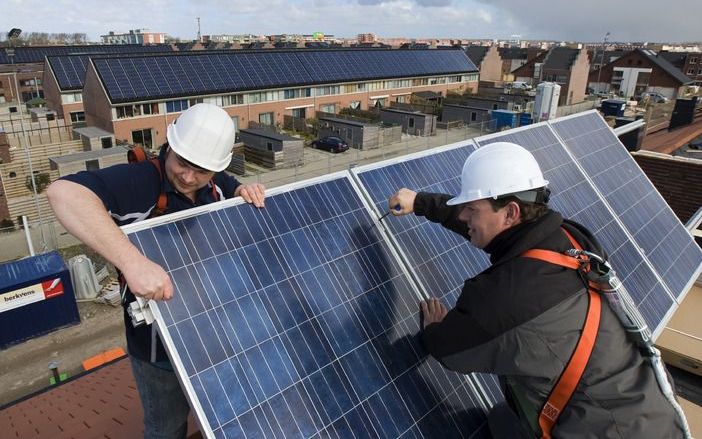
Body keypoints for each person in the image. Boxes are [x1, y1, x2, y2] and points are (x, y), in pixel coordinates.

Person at [388, 142, 685, 438]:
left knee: (500, 426)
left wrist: (435, 329)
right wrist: (423, 203)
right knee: (503, 419)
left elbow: (450, 350)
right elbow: (487, 225)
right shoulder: (570, 238)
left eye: (470, 208)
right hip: (650, 410)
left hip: (603, 431)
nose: (464, 216)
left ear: (511, 212)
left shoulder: (500, 300)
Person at [47, 103, 266, 439]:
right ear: (170, 145)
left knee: (227, 415)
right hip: (158, 347)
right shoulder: (139, 181)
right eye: (182, 163)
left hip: (214, 334)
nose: (189, 177)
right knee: (166, 428)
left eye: (203, 170)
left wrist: (241, 189)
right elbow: (63, 193)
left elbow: (223, 178)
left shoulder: (215, 183)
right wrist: (133, 262)